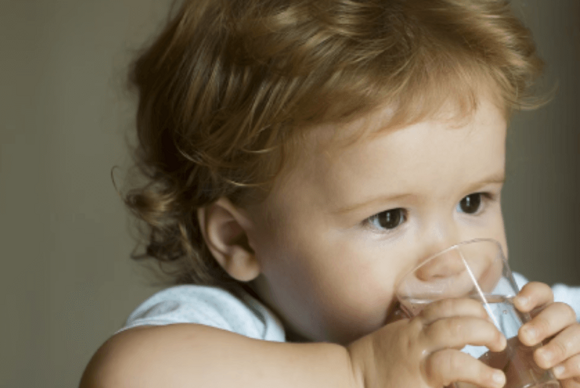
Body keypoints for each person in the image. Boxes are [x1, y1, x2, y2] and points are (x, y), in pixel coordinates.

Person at [80, 0, 580, 387]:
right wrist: (355, 373)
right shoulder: (234, 330)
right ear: (241, 241)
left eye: (472, 202)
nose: (449, 262)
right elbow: (127, 375)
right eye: (389, 218)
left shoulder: (515, 326)